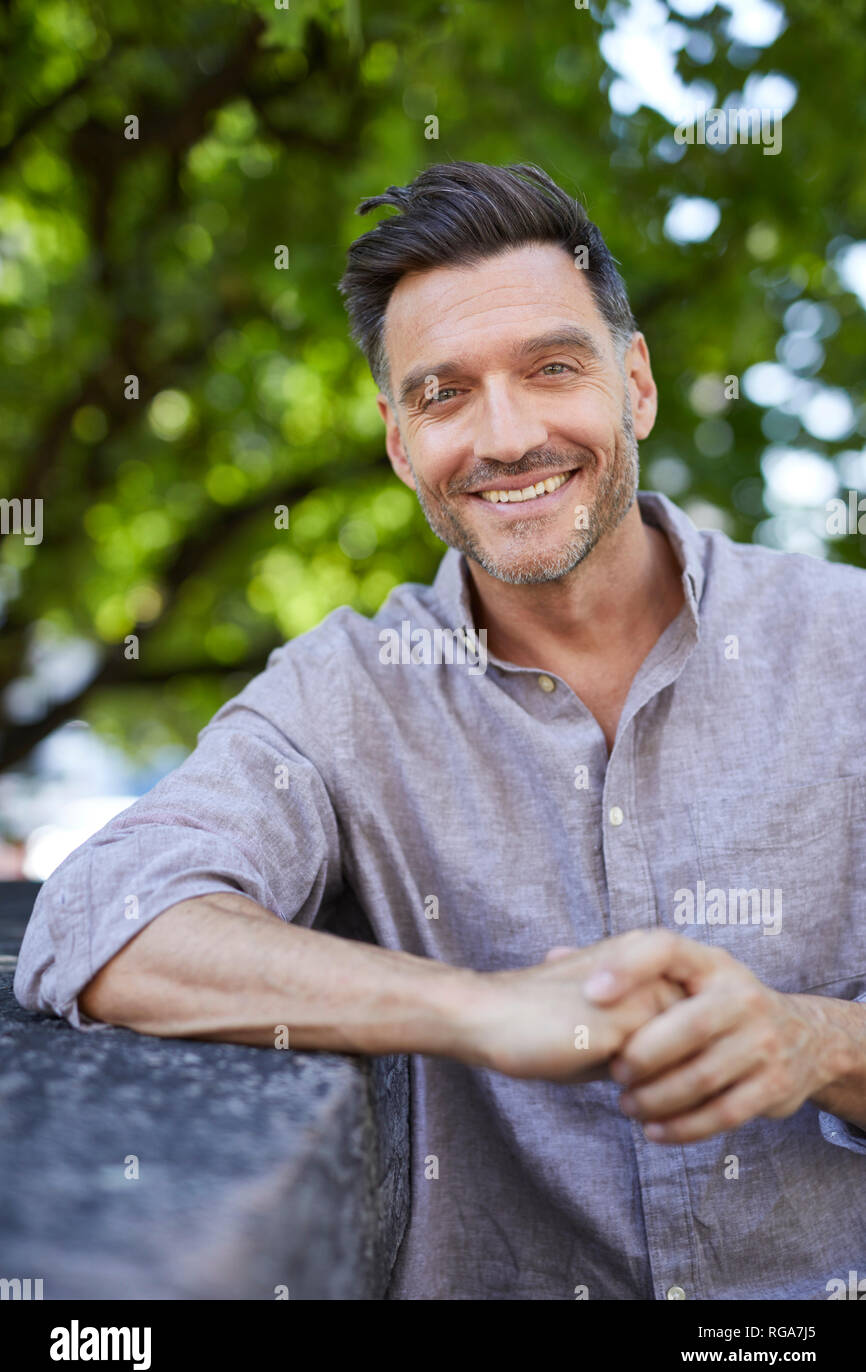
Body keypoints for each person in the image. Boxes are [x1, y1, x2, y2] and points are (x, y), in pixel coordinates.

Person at [15, 162, 866, 1300]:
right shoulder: (344, 692)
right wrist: (485, 1010)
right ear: (396, 441)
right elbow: (99, 913)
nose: (505, 436)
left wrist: (813, 1043)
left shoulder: (843, 643)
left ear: (637, 387)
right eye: (442, 393)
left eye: (550, 369)